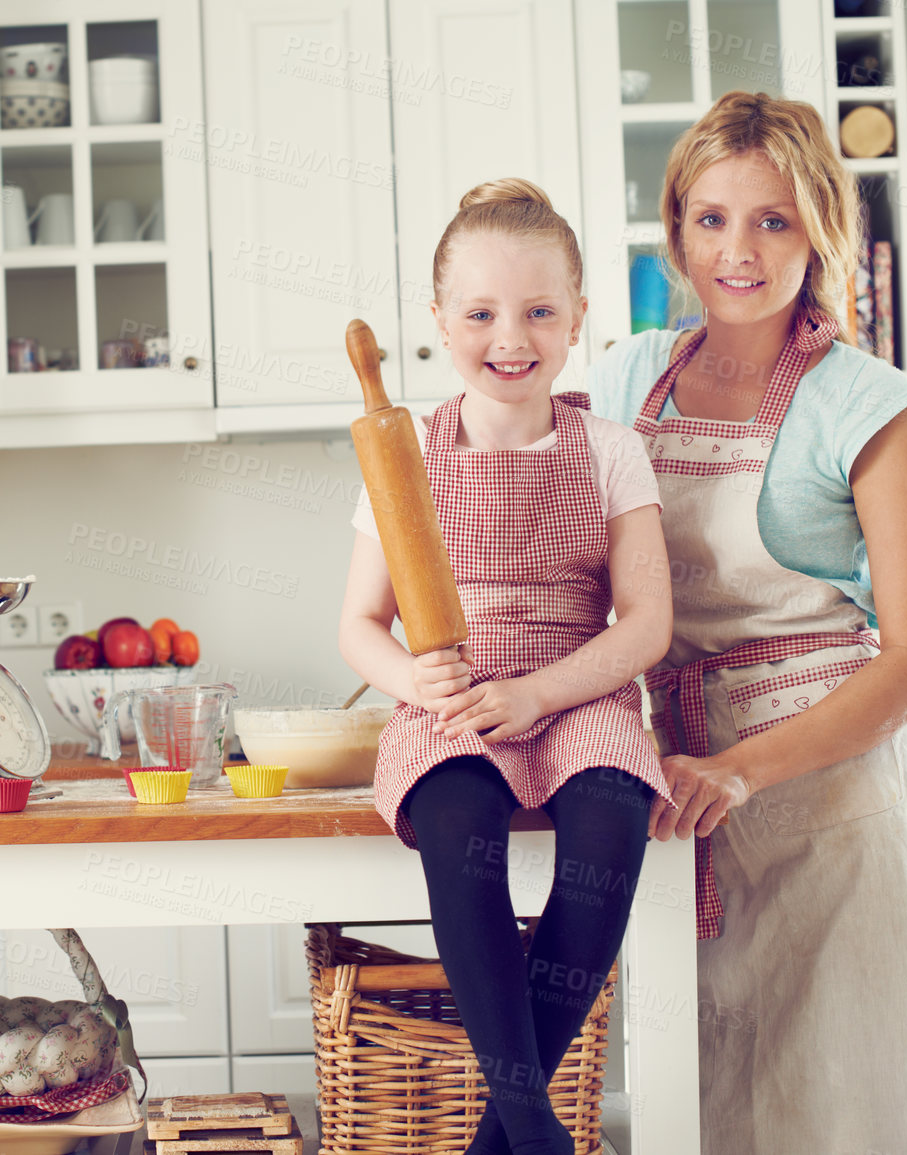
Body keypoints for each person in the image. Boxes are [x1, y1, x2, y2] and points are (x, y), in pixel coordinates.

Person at [585, 91, 907, 1153]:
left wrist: (742, 769)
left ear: (819, 230)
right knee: (713, 1117)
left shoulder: (867, 403)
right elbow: (571, 571)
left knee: (855, 1121)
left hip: (843, 834)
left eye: (773, 220)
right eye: (712, 218)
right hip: (690, 824)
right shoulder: (628, 377)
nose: (739, 250)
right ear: (676, 228)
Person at [339, 179, 673, 1155]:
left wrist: (542, 693)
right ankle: (535, 1129)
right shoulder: (403, 457)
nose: (509, 336)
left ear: (578, 320)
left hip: (578, 686)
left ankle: (507, 1138)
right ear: (439, 320)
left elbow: (646, 623)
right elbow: (361, 624)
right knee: (458, 825)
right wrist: (413, 682)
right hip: (456, 693)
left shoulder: (611, 450)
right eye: (480, 313)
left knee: (612, 827)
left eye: (537, 311)